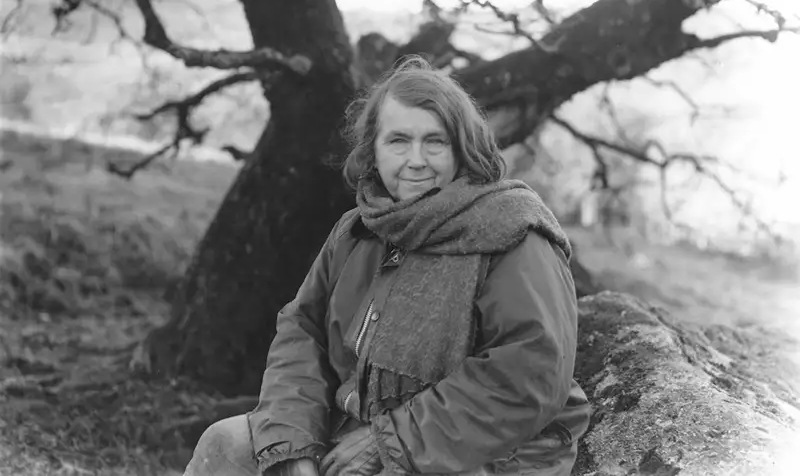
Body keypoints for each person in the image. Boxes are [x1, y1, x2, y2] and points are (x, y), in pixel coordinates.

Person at [183, 56, 591, 476]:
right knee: (225, 446)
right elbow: (303, 330)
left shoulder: (514, 232)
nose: (416, 160)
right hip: (357, 423)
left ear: (462, 149)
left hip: (484, 449)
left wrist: (390, 441)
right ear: (373, 151)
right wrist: (293, 442)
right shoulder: (358, 229)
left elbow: (530, 373)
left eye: (435, 142)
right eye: (398, 141)